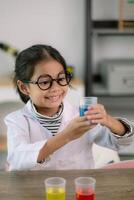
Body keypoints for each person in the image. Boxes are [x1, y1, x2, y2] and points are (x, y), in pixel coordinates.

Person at [5, 44, 134, 171]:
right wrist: (67, 135)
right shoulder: (16, 121)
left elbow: (119, 142)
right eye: (44, 82)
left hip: (78, 188)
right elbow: (18, 159)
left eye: (61, 78)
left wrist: (108, 120)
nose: (56, 88)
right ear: (24, 87)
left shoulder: (80, 116)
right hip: (33, 190)